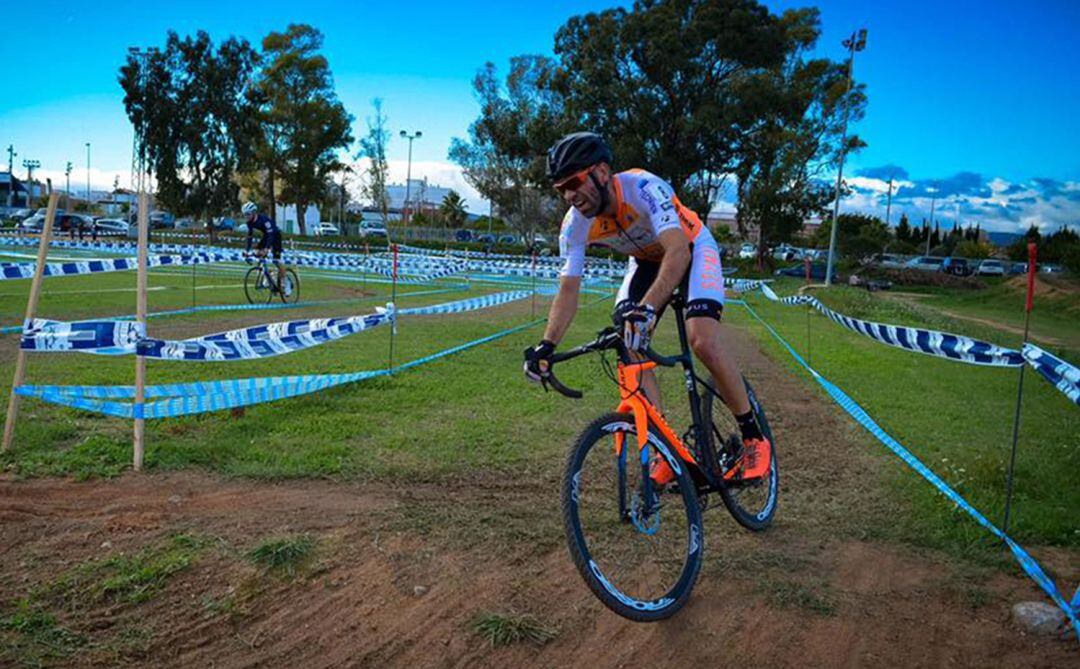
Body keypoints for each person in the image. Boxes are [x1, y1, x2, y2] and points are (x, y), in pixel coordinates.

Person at [523, 132, 771, 483]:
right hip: (644, 262)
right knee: (628, 340)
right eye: (560, 188)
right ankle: (663, 448)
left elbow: (678, 252)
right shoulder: (575, 224)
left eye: (575, 182)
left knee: (701, 338)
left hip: (691, 247)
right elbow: (568, 289)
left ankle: (753, 437)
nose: (569, 195)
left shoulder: (642, 188)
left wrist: (649, 308)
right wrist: (547, 345)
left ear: (602, 172)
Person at [241, 201, 288, 294]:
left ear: (254, 213)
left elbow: (271, 234)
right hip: (266, 236)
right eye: (244, 214)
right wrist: (247, 251)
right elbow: (249, 236)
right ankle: (268, 276)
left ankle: (286, 282)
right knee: (258, 253)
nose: (246, 216)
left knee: (276, 261)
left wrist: (267, 248)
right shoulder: (249, 222)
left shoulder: (264, 220)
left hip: (275, 236)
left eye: (248, 214)